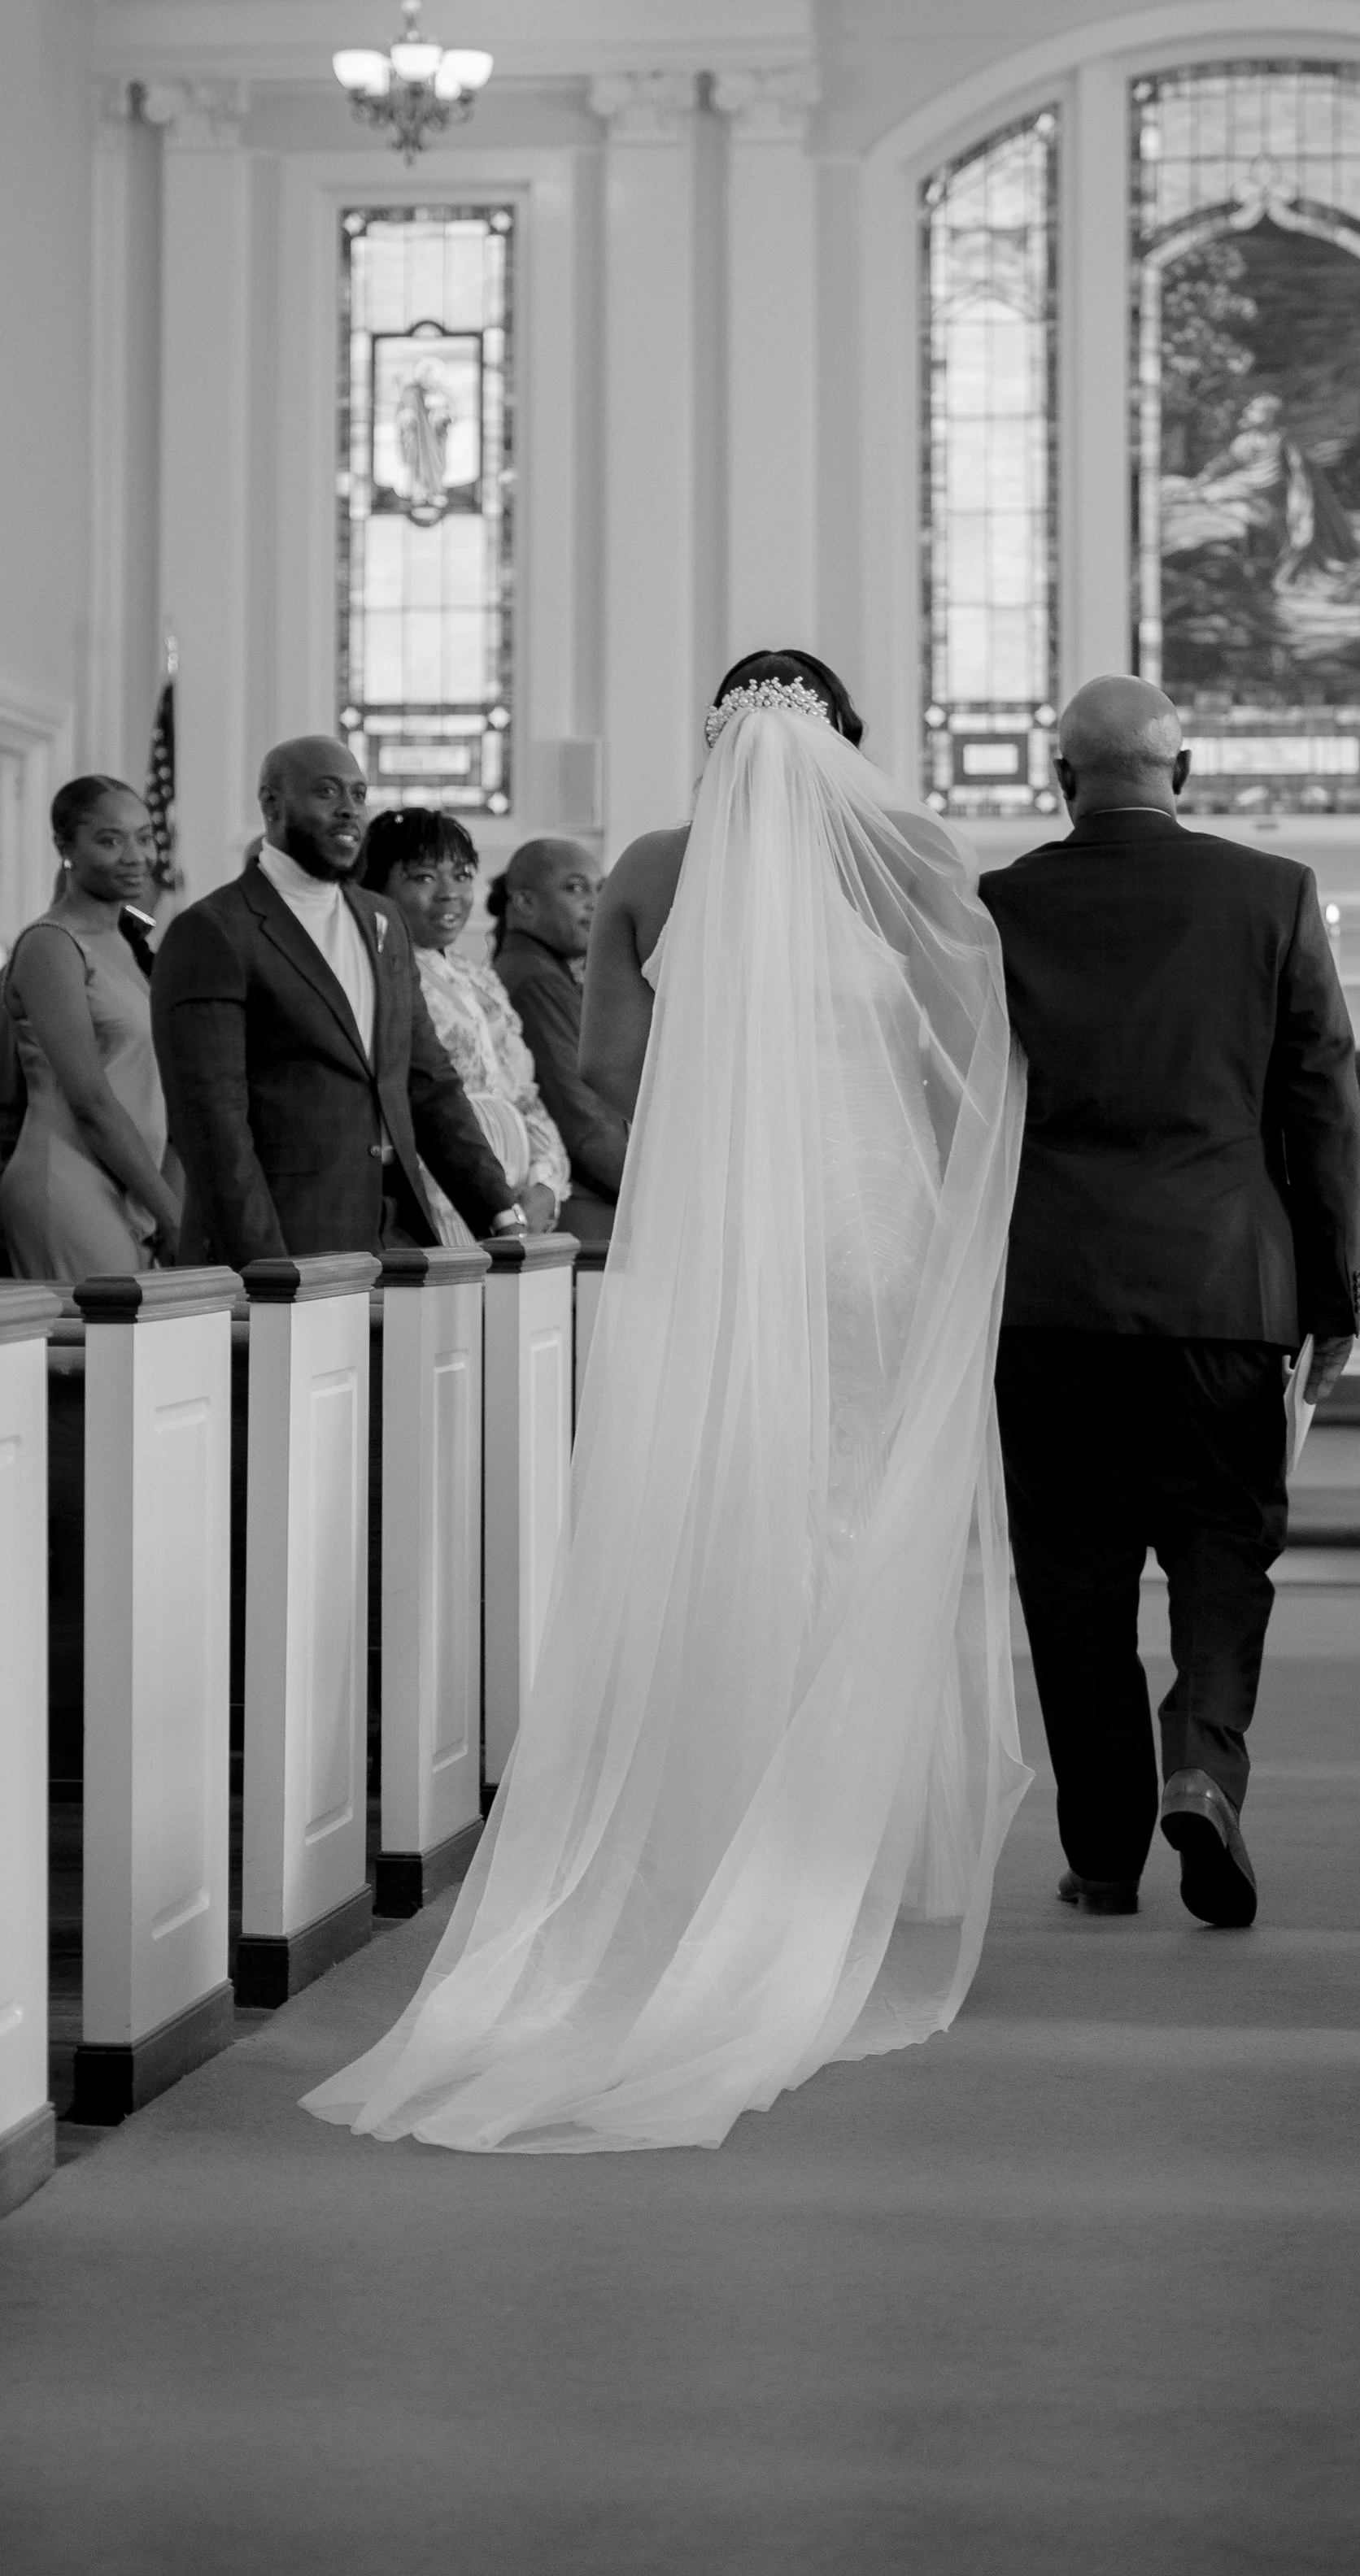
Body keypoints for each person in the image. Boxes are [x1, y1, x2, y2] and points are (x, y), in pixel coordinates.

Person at [303, 651, 1027, 2154]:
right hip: (873, 1225)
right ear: (849, 743)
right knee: (870, 1505)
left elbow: (613, 1067)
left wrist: (725, 1134)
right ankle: (854, 1838)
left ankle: (714, 1821)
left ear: (715, 738)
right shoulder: (904, 857)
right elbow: (967, 1054)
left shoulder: (646, 865)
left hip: (726, 1235)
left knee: (730, 1498)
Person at [979, 676, 1360, 1930]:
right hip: (1223, 1289)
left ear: (1060, 777)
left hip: (1050, 1299)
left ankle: (1101, 1857)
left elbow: (969, 1104)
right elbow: (1320, 1105)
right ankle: (1202, 1759)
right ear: (1181, 772)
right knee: (1221, 1546)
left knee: (1073, 1579)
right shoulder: (1275, 894)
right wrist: (1334, 1298)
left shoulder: (1006, 904)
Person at [150, 735, 524, 1268]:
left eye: (358, 793)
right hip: (283, 1242)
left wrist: (500, 1211)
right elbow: (212, 1127)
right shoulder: (213, 932)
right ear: (272, 805)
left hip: (394, 1237)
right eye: (326, 793)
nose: (349, 808)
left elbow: (429, 1084)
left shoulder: (383, 921)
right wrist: (267, 1271)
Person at [0, 776, 181, 1281]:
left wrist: (164, 1196)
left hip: (136, 1184)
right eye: (109, 840)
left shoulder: (131, 942)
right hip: (68, 1182)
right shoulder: (50, 945)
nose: (134, 855)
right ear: (65, 847)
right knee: (101, 1357)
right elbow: (91, 1101)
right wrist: (169, 1208)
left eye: (144, 837)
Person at [358, 807, 564, 1248]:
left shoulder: (479, 979)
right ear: (376, 887)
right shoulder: (373, 977)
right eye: (424, 878)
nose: (450, 894)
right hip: (434, 1199)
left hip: (517, 1201)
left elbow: (525, 1095)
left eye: (463, 874)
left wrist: (545, 1183)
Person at [487, 836, 627, 1247]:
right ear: (525, 903)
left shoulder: (548, 972)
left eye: (600, 889)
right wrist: (658, 1193)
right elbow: (582, 1121)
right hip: (584, 1211)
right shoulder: (535, 979)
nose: (594, 903)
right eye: (575, 888)